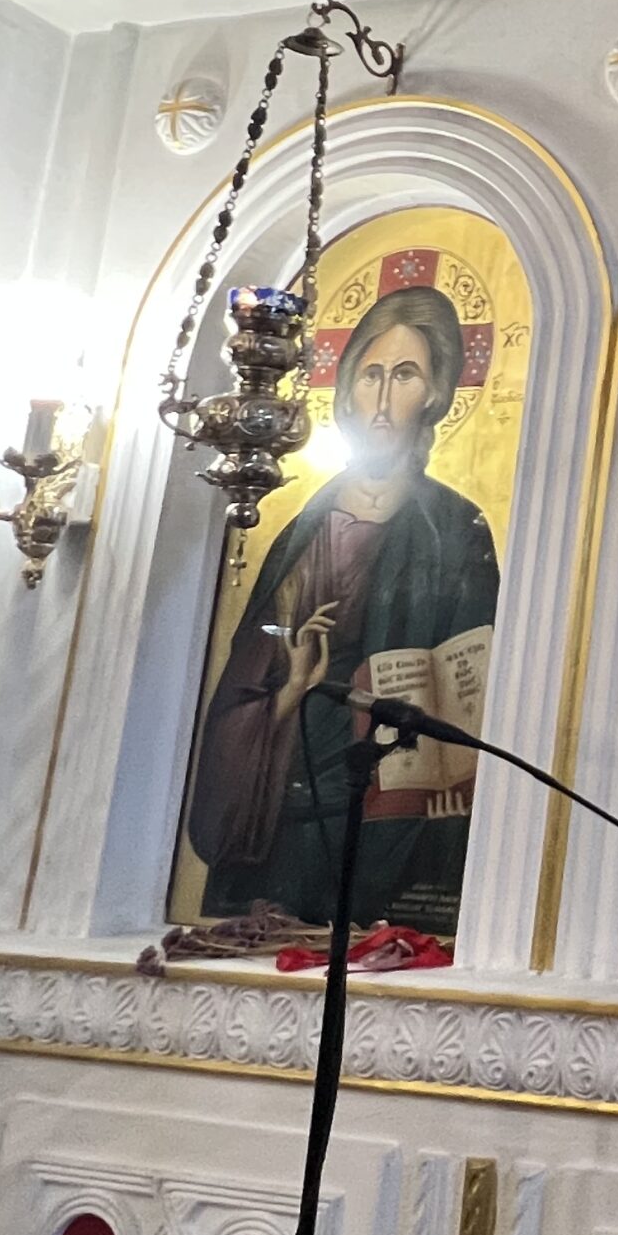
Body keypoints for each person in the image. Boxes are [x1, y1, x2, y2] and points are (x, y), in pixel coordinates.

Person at [186, 282, 499, 933]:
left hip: (388, 806)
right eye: (370, 375)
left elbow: (469, 689)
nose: (382, 402)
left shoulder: (456, 530)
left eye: (405, 376)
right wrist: (290, 690)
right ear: (349, 388)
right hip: (285, 791)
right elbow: (238, 695)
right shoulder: (301, 532)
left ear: (435, 393)